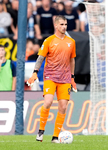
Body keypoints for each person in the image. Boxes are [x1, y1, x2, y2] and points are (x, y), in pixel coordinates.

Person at [27, 15, 77, 143]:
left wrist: (72, 77)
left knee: (63, 106)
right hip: (50, 76)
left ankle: (55, 137)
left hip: (65, 78)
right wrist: (34, 73)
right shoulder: (48, 40)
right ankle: (41, 131)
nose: (64, 27)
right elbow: (40, 58)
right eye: (61, 24)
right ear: (56, 25)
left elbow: (72, 60)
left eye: (65, 24)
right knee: (48, 102)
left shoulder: (71, 42)